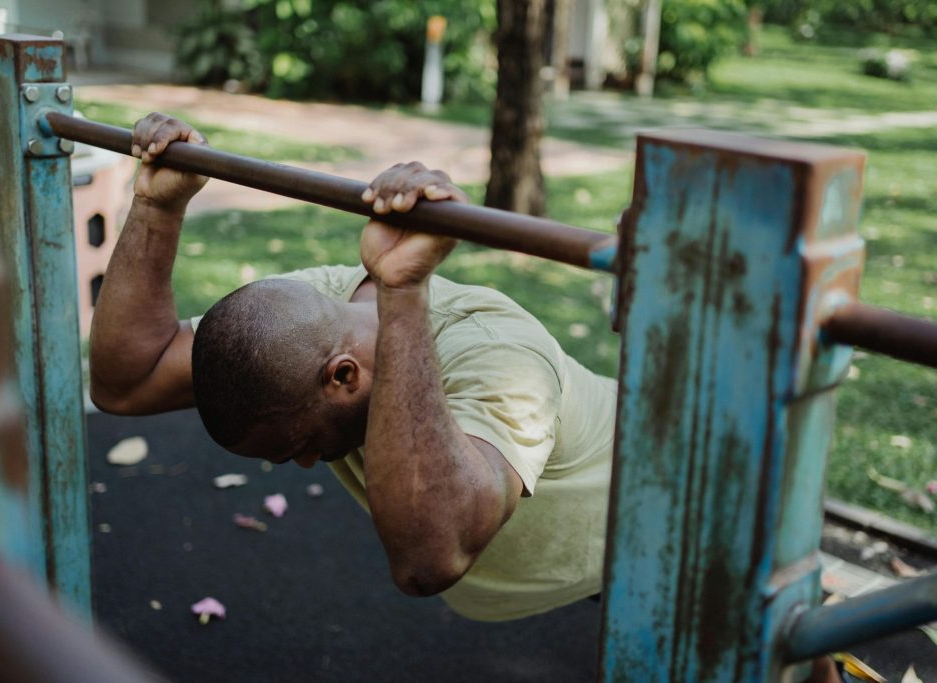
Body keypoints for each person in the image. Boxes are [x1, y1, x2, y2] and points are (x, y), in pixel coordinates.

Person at [89, 113, 617, 623]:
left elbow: (430, 561)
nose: (307, 462)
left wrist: (404, 290)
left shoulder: (498, 354)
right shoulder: (312, 312)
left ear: (344, 375)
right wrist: (156, 206)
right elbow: (128, 382)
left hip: (659, 521)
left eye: (301, 445)